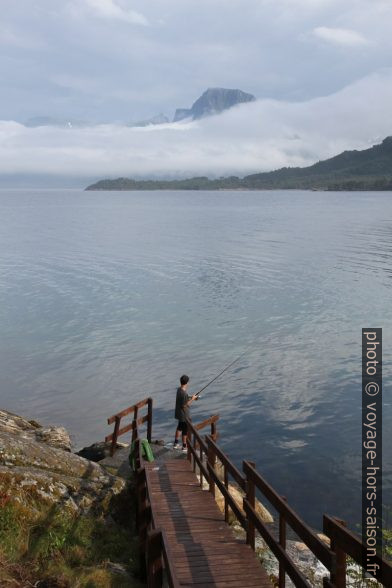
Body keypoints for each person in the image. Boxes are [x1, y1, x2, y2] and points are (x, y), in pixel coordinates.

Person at [173, 374, 197, 452]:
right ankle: (184, 446)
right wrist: (192, 399)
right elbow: (185, 405)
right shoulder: (183, 393)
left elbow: (183, 399)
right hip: (184, 414)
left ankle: (176, 444)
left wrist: (190, 397)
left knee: (179, 427)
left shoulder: (179, 390)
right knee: (185, 430)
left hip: (179, 413)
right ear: (187, 383)